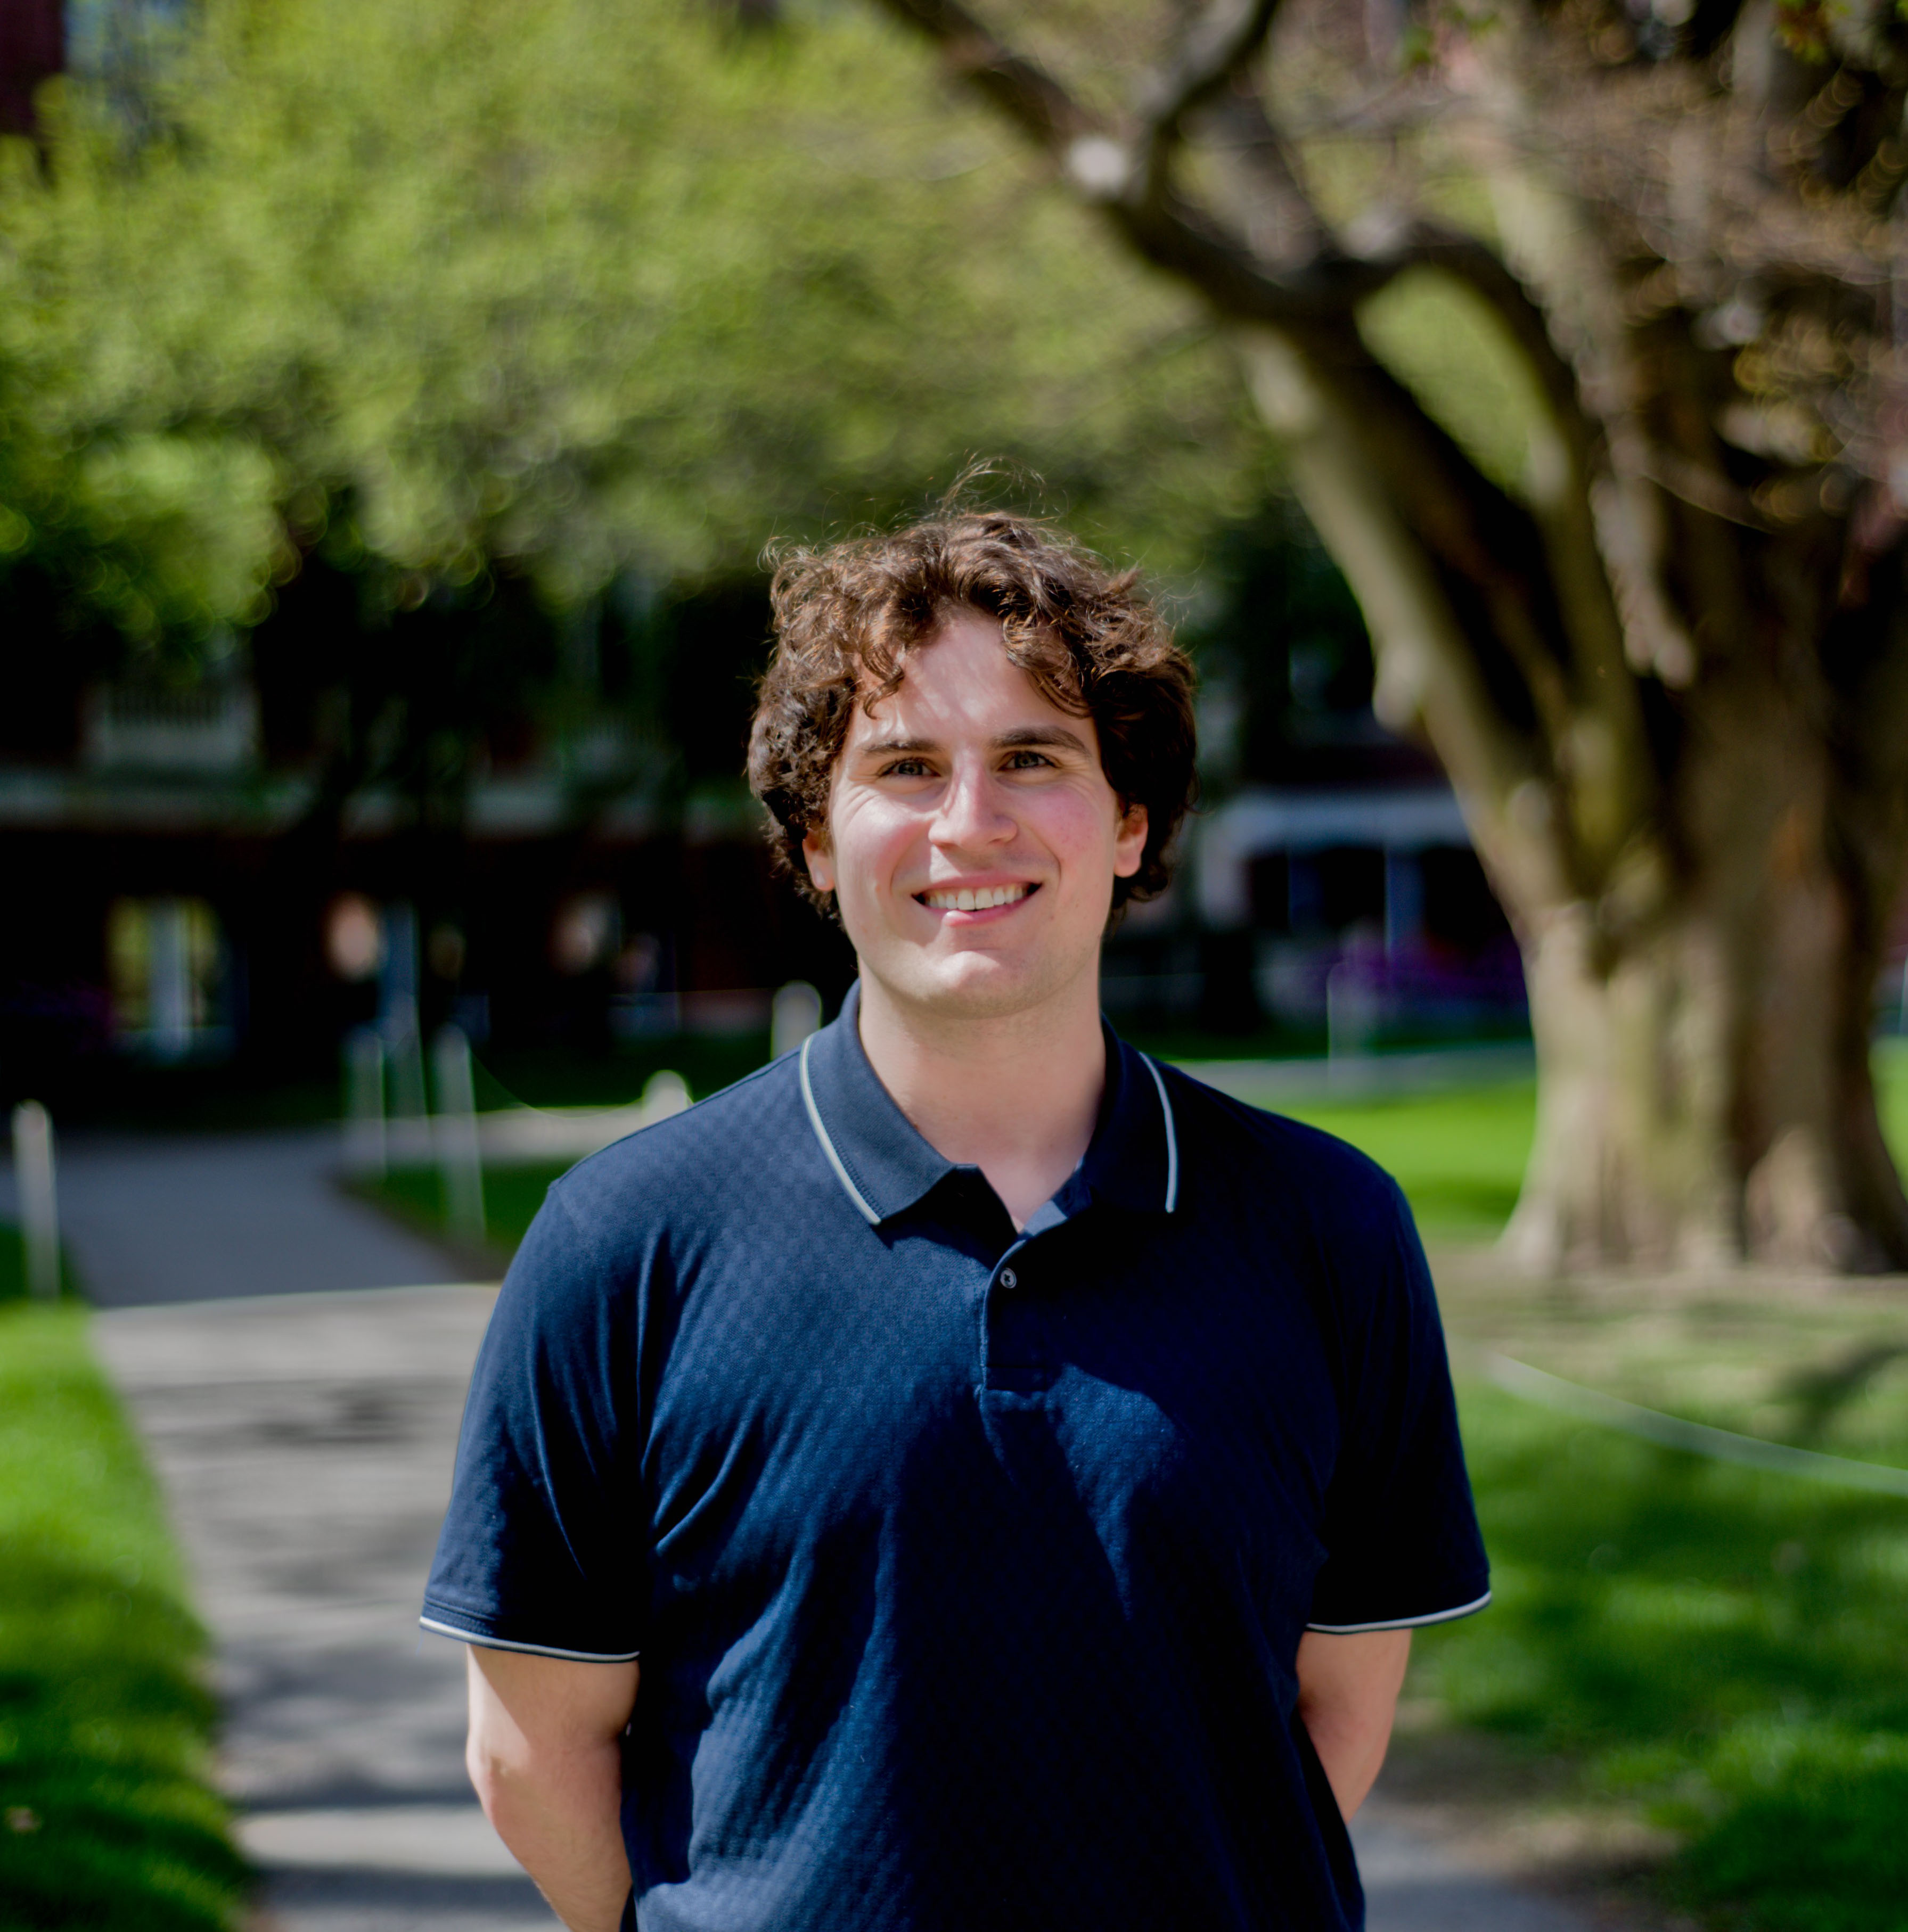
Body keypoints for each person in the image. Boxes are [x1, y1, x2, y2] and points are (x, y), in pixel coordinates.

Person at [422, 509, 1489, 1932]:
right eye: (907, 766)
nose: (968, 823)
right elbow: (531, 1749)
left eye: (1033, 759)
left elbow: (1334, 1712)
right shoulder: (625, 1244)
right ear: (816, 835)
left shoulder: (1324, 1229)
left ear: (1130, 823)